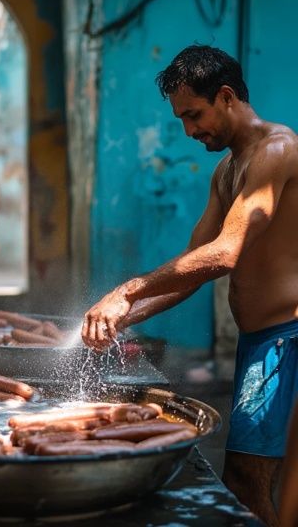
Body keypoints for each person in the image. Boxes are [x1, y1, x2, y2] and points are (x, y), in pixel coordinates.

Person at [81, 45, 298, 526]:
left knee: (248, 484)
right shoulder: (226, 170)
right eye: (181, 119)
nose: (189, 131)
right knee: (250, 483)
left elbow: (225, 253)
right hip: (260, 342)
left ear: (225, 96)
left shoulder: (277, 150)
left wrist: (127, 290)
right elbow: (193, 268)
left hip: (287, 341)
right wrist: (121, 319)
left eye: (194, 115)